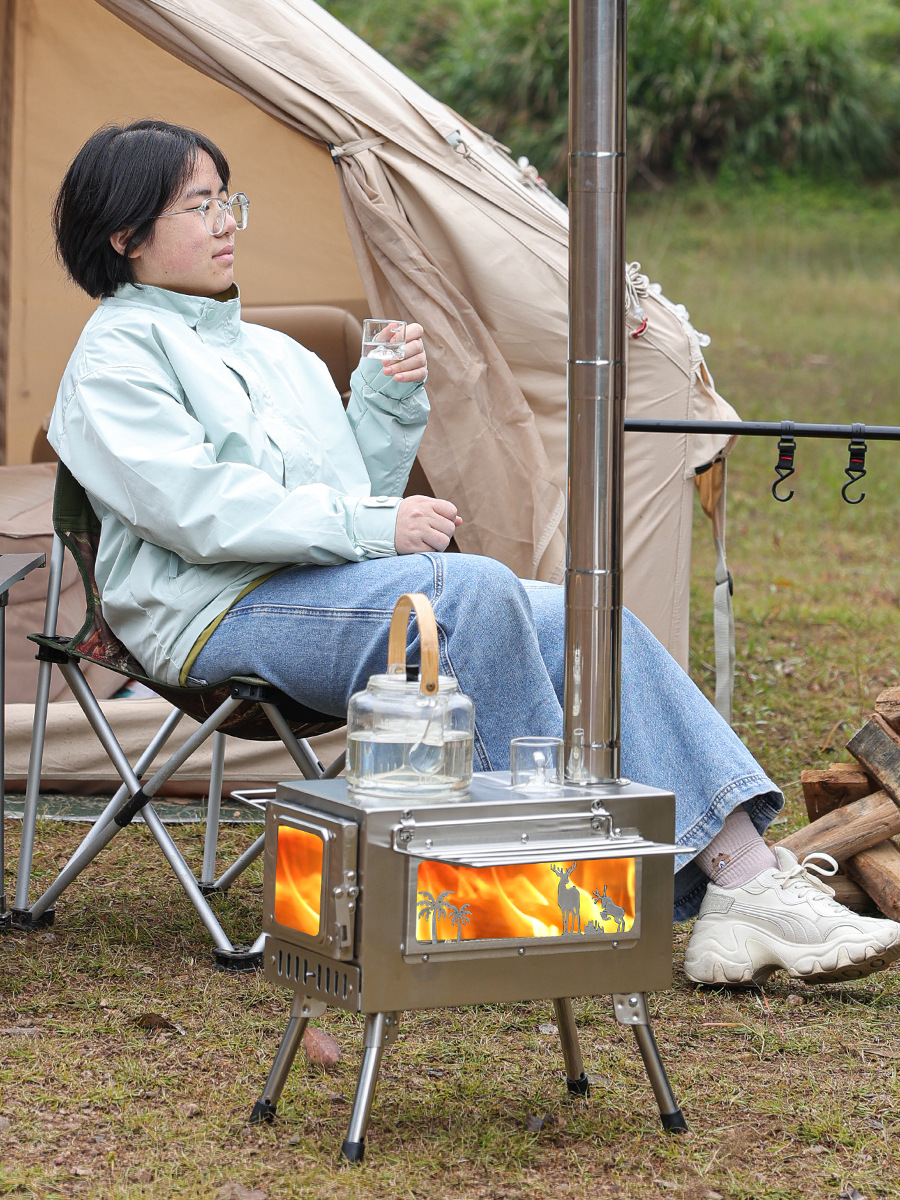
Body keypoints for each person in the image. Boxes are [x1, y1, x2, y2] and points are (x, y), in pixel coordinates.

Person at [49, 119, 900, 988]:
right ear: (124, 236)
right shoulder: (114, 358)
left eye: (228, 200)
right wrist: (376, 528)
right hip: (212, 610)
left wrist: (382, 407)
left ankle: (743, 883)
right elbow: (196, 511)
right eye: (199, 205)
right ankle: (556, 883)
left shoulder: (274, 353)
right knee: (467, 593)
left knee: (583, 616)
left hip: (324, 590)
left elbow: (350, 493)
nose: (226, 222)